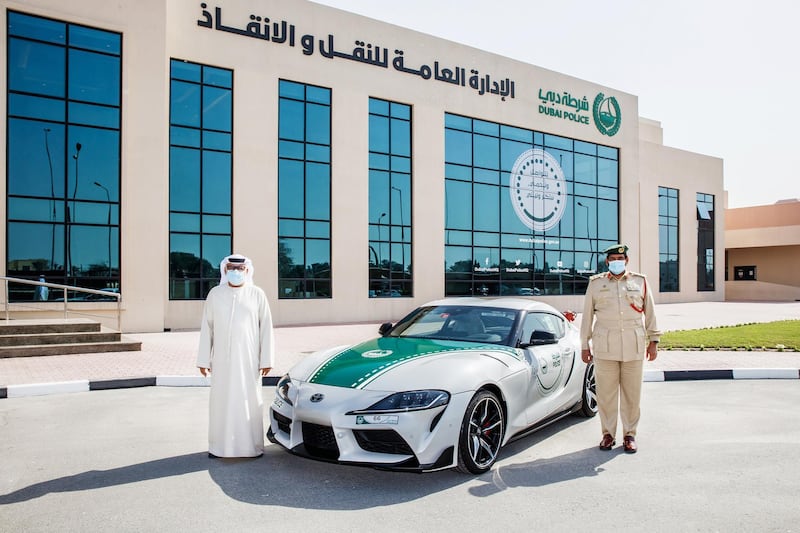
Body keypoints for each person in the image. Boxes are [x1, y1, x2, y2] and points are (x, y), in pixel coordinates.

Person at [580, 244, 660, 454]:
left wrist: (654, 341)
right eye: (613, 258)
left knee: (632, 395)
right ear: (607, 262)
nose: (617, 261)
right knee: (606, 395)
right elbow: (587, 315)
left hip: (633, 346)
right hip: (604, 347)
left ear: (627, 261)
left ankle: (629, 434)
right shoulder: (596, 284)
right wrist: (584, 345)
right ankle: (607, 434)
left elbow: (649, 312)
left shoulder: (640, 281)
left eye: (620, 258)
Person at [197, 254, 275, 458]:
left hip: (249, 360)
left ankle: (252, 448)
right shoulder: (215, 294)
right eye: (231, 268)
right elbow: (207, 328)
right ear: (224, 270)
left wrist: (266, 359)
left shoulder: (257, 294)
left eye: (240, 269)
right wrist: (204, 360)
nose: (235, 272)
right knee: (221, 402)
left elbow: (266, 328)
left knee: (248, 400)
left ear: (247, 270)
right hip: (222, 361)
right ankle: (219, 447)